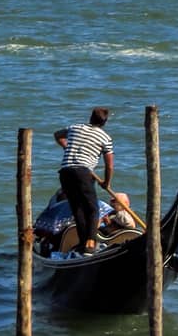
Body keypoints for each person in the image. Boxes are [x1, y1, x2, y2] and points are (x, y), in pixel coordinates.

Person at [54, 107, 115, 254]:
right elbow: (109, 165)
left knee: (78, 209)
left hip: (65, 172)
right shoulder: (105, 138)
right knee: (93, 209)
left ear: (90, 118)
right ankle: (90, 242)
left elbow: (57, 135)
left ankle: (83, 244)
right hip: (83, 173)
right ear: (104, 122)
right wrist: (107, 183)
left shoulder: (75, 128)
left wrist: (67, 147)